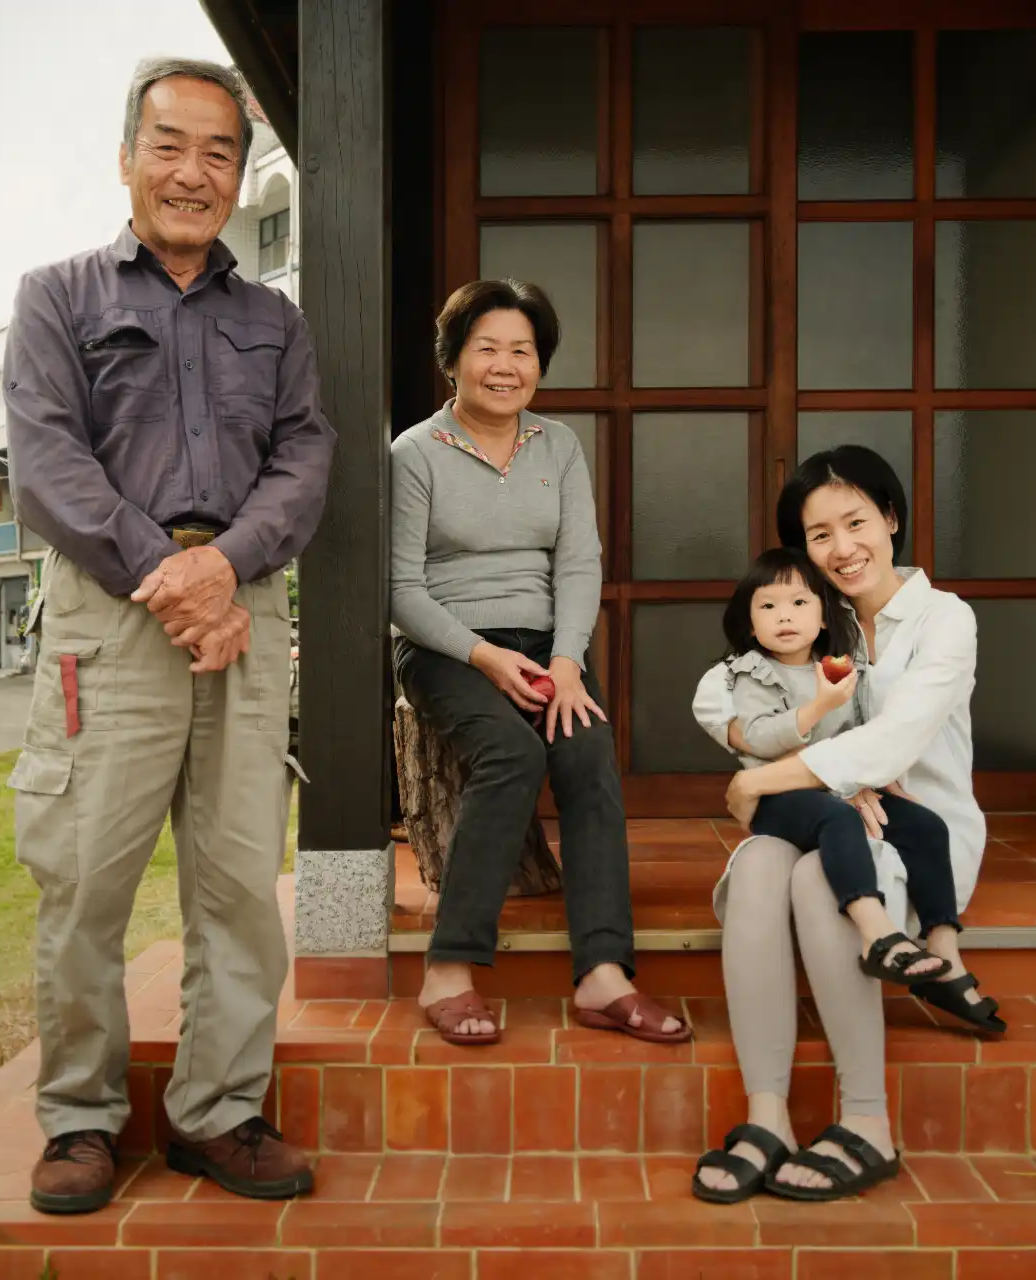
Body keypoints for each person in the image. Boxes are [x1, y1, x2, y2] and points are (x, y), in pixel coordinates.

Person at [4, 57, 335, 1213]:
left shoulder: (274, 320)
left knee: (241, 880)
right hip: (114, 613)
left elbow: (305, 457)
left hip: (244, 608)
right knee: (85, 879)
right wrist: (174, 571)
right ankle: (81, 1119)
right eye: (171, 145)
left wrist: (226, 565)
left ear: (244, 176)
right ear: (128, 157)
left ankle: (218, 1110)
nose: (194, 173)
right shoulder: (58, 296)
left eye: (221, 153)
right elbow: (46, 467)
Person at [688, 446, 992, 1204]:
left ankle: (867, 1120)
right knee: (761, 860)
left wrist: (757, 779)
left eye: (856, 522)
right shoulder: (820, 632)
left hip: (917, 833)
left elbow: (892, 742)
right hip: (821, 822)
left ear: (891, 518)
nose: (841, 547)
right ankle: (768, 1115)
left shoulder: (944, 619)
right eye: (818, 534)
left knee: (813, 868)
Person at [390, 278, 688, 1048]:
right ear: (452, 360)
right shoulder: (416, 453)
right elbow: (400, 589)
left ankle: (603, 974)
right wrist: (485, 657)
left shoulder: (559, 444)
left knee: (587, 750)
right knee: (511, 752)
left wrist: (565, 661)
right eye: (485, 348)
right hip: (447, 645)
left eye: (521, 350)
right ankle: (450, 968)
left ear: (540, 365)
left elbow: (579, 562)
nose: (504, 365)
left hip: (544, 646)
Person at [710, 547, 961, 987]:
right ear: (751, 625)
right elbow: (761, 738)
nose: (784, 616)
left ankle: (943, 946)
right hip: (779, 798)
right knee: (839, 817)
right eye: (768, 606)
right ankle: (876, 934)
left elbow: (862, 731)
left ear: (824, 617)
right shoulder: (751, 673)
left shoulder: (839, 668)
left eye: (799, 603)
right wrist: (820, 706)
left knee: (926, 826)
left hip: (844, 790)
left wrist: (881, 775)